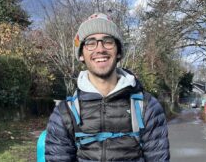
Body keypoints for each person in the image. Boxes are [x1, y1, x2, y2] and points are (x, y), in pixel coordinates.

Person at [45, 13, 170, 162]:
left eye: (108, 41)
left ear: (118, 52)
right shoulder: (65, 113)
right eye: (91, 42)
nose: (100, 49)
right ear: (81, 55)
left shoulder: (147, 107)